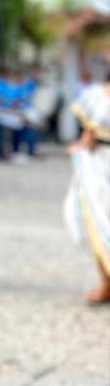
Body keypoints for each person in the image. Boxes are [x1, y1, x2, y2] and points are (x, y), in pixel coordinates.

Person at [63, 70, 110, 304]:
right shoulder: (96, 95)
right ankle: (106, 283)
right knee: (98, 222)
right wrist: (79, 147)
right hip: (99, 165)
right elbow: (89, 136)